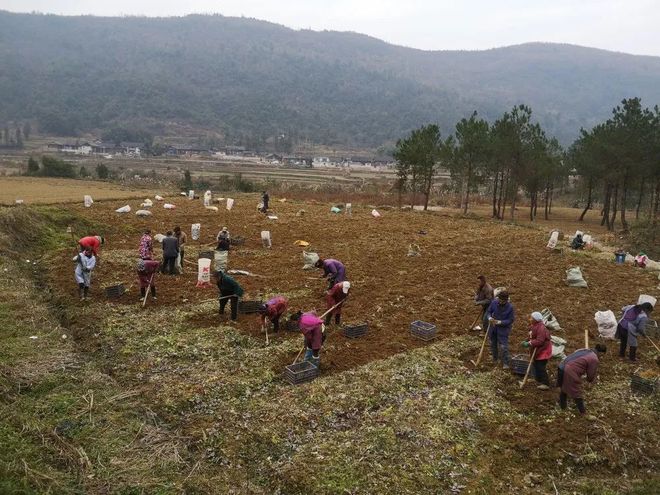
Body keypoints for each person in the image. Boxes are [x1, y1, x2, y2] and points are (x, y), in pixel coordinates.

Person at [557, 344, 606, 421]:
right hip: (569, 370)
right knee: (576, 391)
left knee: (563, 387)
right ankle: (583, 413)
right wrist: (589, 381)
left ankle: (562, 406)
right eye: (602, 355)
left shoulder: (585, 350)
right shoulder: (594, 359)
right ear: (601, 353)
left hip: (561, 366)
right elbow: (590, 375)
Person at [521, 311, 553, 389]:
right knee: (535, 364)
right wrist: (526, 340)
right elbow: (531, 336)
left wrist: (529, 343)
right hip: (537, 349)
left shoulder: (541, 328)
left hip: (543, 350)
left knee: (540, 366)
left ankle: (546, 383)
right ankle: (538, 379)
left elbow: (540, 341)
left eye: (532, 318)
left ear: (536, 319)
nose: (530, 319)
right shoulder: (533, 326)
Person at [486, 291, 515, 369]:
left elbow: (510, 320)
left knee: (503, 347)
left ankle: (506, 363)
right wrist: (489, 318)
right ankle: (495, 359)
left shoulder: (510, 307)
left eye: (503, 301)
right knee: (493, 344)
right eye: (500, 300)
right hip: (493, 328)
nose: (501, 302)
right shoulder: (494, 302)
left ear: (506, 300)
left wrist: (500, 322)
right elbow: (489, 311)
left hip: (503, 330)